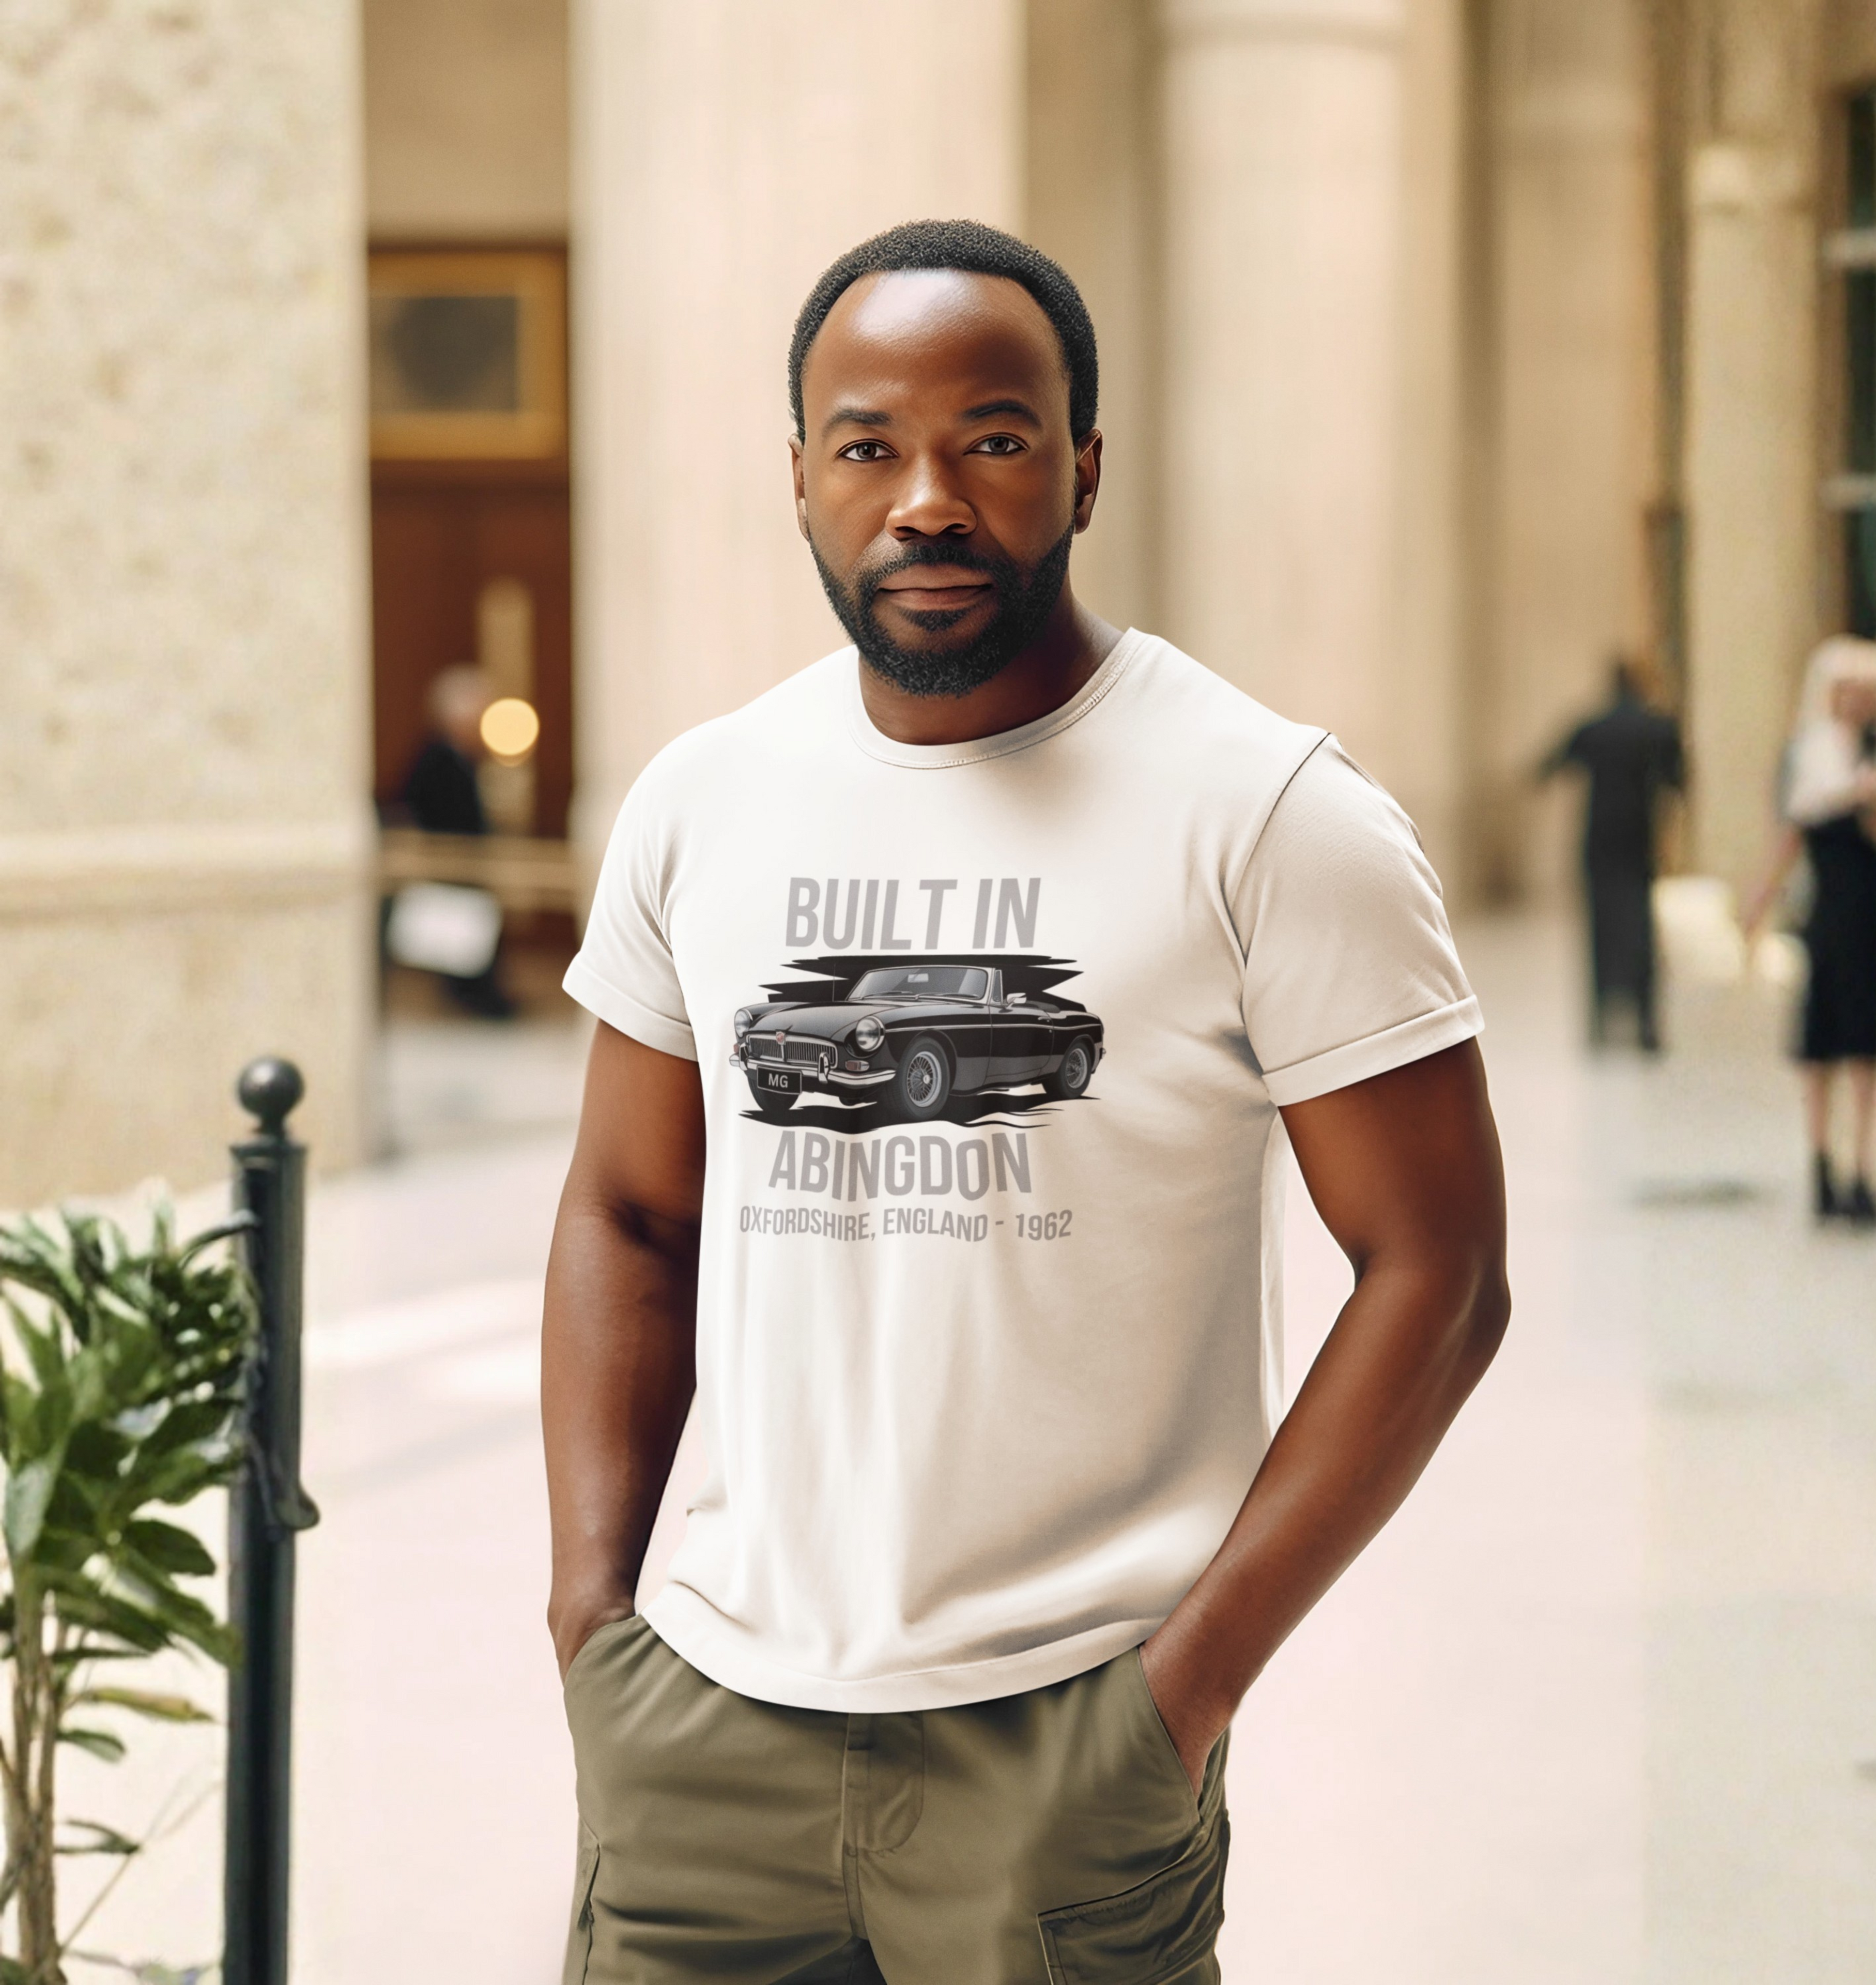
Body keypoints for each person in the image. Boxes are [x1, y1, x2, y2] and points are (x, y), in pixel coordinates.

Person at [542, 220, 1509, 1983]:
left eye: (990, 438)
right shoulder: (705, 801)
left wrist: (1183, 1689)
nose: (927, 498)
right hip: (702, 1738)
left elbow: (1439, 1272)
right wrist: (592, 1617)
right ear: (802, 478)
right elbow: (629, 1209)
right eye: (868, 446)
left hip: (1064, 1746)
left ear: (1081, 469)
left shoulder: (1270, 810)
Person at [1743, 635, 1876, 1226]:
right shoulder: (1815, 756)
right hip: (1831, 913)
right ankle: (1822, 1160)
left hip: (1868, 912)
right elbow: (1795, 829)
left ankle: (1864, 1167)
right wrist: (1760, 899)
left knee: (1864, 1045)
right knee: (1823, 1042)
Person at [1540, 655, 1684, 1052]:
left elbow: (1548, 767)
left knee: (1602, 930)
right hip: (1639, 838)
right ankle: (1646, 1023)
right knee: (1640, 928)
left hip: (1599, 839)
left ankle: (1602, 1019)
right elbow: (1679, 780)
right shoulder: (1657, 728)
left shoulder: (1594, 727)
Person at [391, 665, 515, 1019]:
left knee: (472, 937)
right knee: (458, 941)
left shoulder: (462, 758)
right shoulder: (437, 759)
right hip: (450, 865)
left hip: (466, 864)